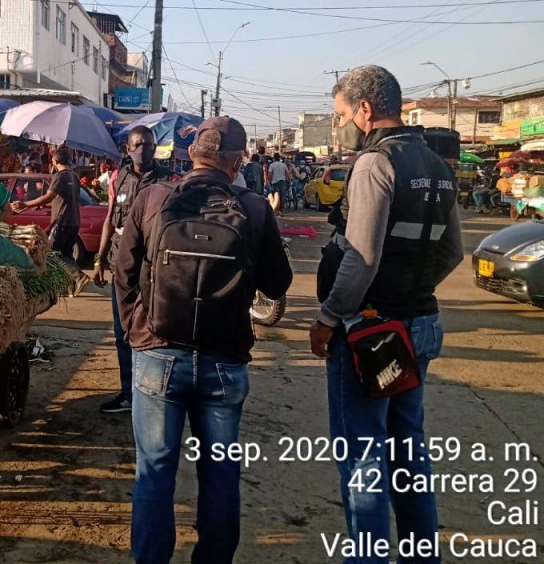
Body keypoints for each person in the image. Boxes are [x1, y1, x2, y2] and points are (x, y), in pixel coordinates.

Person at [113, 116, 292, 564]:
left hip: (157, 352)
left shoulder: (153, 197)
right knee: (220, 473)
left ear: (191, 153)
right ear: (236, 162)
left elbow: (123, 272)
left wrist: (139, 328)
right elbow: (277, 283)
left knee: (154, 470)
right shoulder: (252, 208)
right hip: (224, 360)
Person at [309, 66, 463, 564]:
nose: (341, 127)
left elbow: (361, 256)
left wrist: (330, 316)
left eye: (341, 116)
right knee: (409, 454)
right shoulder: (438, 165)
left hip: (371, 334)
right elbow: (452, 252)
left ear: (366, 111)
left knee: (364, 460)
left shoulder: (376, 163)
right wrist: (413, 290)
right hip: (420, 324)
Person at [91, 126, 171, 415]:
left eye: (149, 145)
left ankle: (152, 390)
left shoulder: (166, 179)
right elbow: (110, 220)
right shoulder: (118, 177)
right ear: (128, 148)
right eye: (138, 145)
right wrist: (99, 260)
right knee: (122, 330)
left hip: (153, 268)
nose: (144, 150)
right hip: (121, 266)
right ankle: (129, 393)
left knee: (154, 330)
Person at [10, 145, 80, 259]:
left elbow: (49, 197)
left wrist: (25, 204)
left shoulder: (60, 176)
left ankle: (79, 277)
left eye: (52, 159)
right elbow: (64, 200)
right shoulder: (74, 176)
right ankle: (74, 277)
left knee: (51, 255)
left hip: (61, 222)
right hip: (74, 223)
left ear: (55, 160)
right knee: (66, 256)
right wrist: (42, 205)